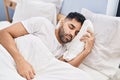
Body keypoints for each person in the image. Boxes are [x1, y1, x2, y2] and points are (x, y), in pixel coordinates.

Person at [0, 12, 94, 80]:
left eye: (77, 33)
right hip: (11, 58)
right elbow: (4, 33)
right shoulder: (42, 24)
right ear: (62, 21)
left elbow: (65, 69)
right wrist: (20, 61)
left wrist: (86, 51)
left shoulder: (65, 50)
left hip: (32, 72)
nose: (72, 34)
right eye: (71, 27)